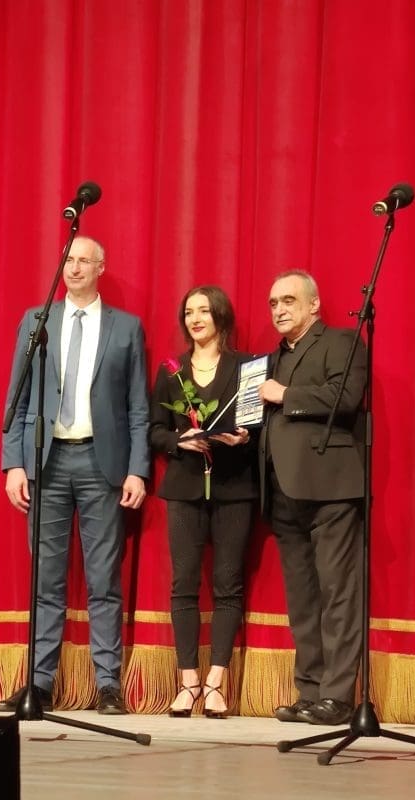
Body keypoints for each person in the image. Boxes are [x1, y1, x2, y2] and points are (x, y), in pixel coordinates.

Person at [0, 236, 149, 714]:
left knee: (104, 579)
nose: (74, 267)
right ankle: (38, 684)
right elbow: (17, 397)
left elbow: (138, 408)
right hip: (46, 461)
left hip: (102, 464)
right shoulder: (37, 320)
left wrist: (138, 470)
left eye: (84, 260)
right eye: (68, 259)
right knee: (46, 580)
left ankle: (108, 685)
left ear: (101, 267)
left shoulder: (126, 327)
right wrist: (14, 463)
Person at [258, 270, 366, 725]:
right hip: (282, 489)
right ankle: (310, 691)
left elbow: (346, 396)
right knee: (302, 599)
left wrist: (286, 394)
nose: (279, 309)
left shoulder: (341, 341)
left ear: (314, 304)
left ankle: (337, 696)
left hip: (329, 487)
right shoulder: (271, 358)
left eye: (288, 300)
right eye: (273, 303)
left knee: (338, 593)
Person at [150, 286, 258, 718]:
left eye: (204, 311)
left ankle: (216, 682)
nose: (195, 319)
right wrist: (180, 439)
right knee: (184, 584)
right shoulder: (171, 370)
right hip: (184, 487)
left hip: (234, 487)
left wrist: (245, 437)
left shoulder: (246, 366)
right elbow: (155, 429)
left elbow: (258, 425)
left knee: (228, 584)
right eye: (189, 312)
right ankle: (188, 682)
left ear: (220, 317)